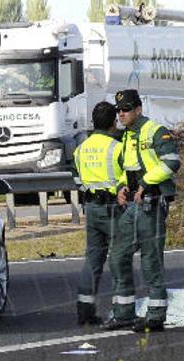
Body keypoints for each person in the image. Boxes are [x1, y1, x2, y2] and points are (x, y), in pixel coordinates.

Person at [104, 89, 181, 332]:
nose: (121, 114)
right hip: (133, 205)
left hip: (152, 204)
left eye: (125, 109)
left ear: (138, 109)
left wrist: (146, 184)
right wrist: (121, 187)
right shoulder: (126, 136)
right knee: (117, 256)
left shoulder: (155, 131)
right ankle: (124, 313)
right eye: (118, 110)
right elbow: (125, 168)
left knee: (150, 262)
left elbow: (172, 162)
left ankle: (156, 315)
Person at [74, 102, 126, 325]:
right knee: (119, 259)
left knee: (92, 259)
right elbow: (127, 177)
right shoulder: (117, 147)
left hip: (92, 208)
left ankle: (85, 310)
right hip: (113, 208)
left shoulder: (81, 148)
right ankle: (122, 310)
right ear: (113, 123)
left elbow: (78, 179)